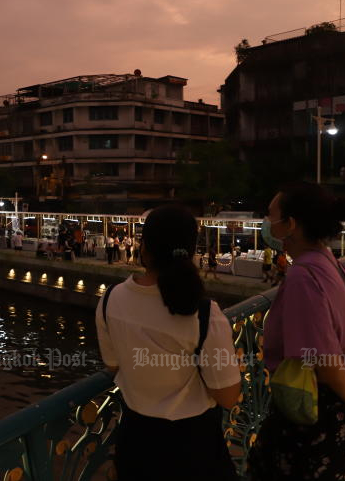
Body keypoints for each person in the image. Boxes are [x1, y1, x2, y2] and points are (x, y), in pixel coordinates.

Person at [247, 182, 345, 480]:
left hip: (311, 411)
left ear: (291, 225)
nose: (267, 224)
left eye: (271, 217)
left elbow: (325, 363)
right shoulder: (331, 264)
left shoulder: (303, 276)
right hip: (340, 408)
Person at [96, 204, 241, 481]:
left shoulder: (110, 300)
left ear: (144, 247)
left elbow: (113, 366)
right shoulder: (206, 314)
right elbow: (228, 396)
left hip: (135, 443)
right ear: (191, 251)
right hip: (192, 448)